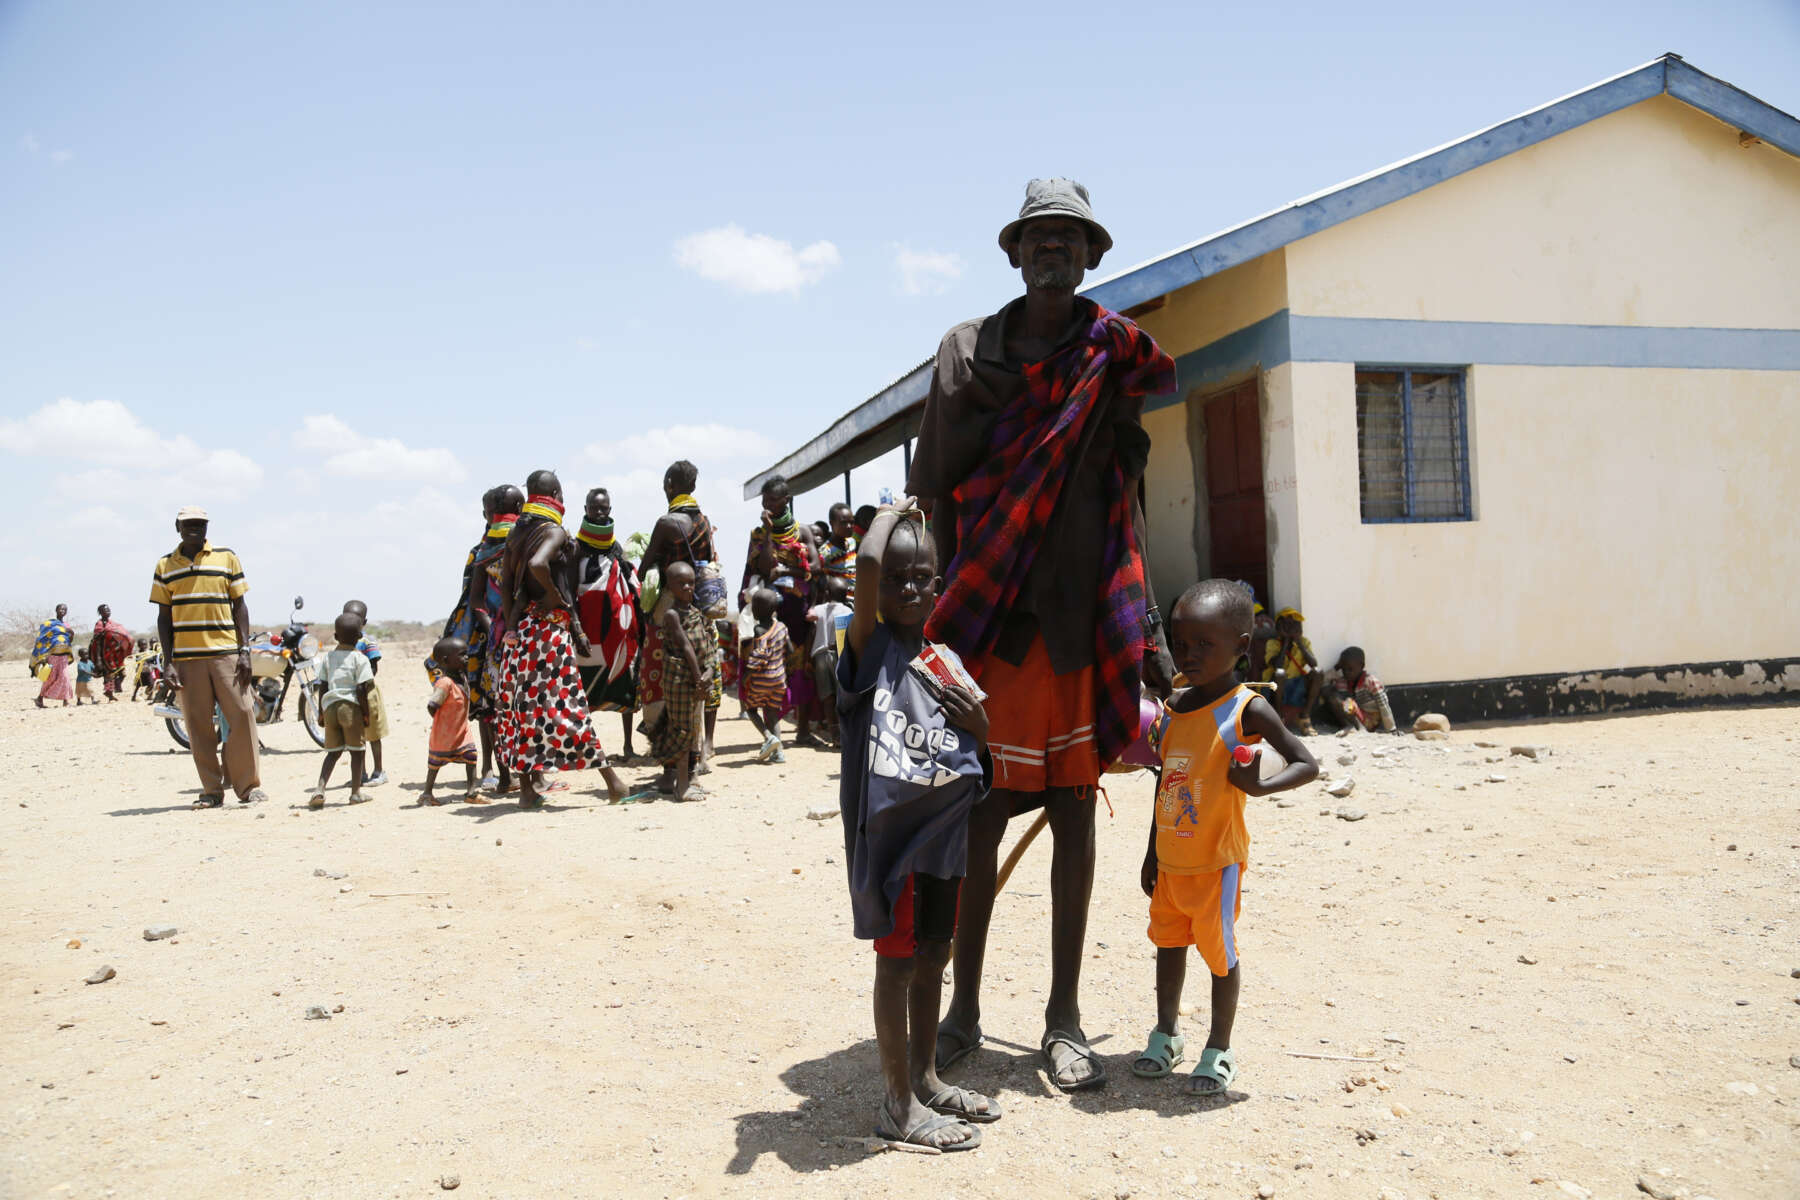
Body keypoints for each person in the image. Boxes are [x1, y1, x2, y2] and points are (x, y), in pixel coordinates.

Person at [906, 178, 1176, 1090]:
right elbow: (937, 484)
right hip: (991, 621)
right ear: (1014, 254)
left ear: (1092, 254)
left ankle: (1065, 1019)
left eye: (1069, 237)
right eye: (1038, 237)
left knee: (1072, 815)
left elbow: (1124, 491)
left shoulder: (1113, 352)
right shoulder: (966, 352)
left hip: (1079, 613)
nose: (1053, 249)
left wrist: (1146, 627)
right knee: (978, 820)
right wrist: (934, 624)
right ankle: (963, 1008)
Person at [838, 505, 997, 1151]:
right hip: (893, 843)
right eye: (895, 578)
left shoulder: (944, 661)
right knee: (897, 965)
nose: (907, 588)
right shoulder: (867, 648)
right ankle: (897, 1105)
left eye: (921, 578)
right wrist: (894, 513)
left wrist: (981, 728)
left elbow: (981, 751)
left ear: (938, 585)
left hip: (945, 839)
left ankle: (927, 1077)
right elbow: (871, 561)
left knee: (935, 953)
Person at [1132, 580, 1318, 1094]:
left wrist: (1259, 788)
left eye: (1204, 645)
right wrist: (1151, 850)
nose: (1189, 655)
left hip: (1217, 864)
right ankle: (1166, 1034)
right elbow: (1166, 783)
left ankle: (1218, 1049)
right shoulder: (1172, 710)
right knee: (1168, 945)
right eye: (1182, 642)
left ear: (1241, 647)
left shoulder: (1246, 710)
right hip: (1172, 862)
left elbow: (1307, 763)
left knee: (1219, 955)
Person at [495, 470, 629, 808]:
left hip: (522, 634)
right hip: (549, 632)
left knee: (524, 710)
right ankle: (613, 783)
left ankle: (527, 791)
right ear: (555, 493)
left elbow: (507, 585)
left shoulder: (516, 535)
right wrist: (559, 601)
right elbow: (541, 565)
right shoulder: (553, 532)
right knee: (568, 705)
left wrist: (511, 628)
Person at [150, 506, 269, 808]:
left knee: (242, 715)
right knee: (198, 724)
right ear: (177, 527)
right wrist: (168, 662)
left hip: (227, 653)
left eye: (200, 524)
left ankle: (249, 787)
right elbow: (164, 618)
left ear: (207, 527)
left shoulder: (226, 557)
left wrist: (244, 651)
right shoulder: (165, 566)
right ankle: (212, 791)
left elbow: (240, 606)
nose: (194, 529)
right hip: (188, 660)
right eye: (188, 524)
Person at [640, 460, 725, 765]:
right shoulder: (704, 521)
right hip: (697, 608)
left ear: (669, 486)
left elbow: (643, 567)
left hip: (668, 608)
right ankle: (695, 752)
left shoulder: (667, 523)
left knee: (662, 679)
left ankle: (667, 750)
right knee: (696, 679)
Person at [742, 475, 824, 748]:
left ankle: (801, 730)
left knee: (800, 668)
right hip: (770, 612)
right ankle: (773, 734)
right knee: (770, 671)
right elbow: (765, 568)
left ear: (786, 500)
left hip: (797, 609)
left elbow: (814, 567)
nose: (767, 505)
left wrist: (787, 570)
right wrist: (767, 533)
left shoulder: (803, 532)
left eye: (772, 500)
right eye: (764, 501)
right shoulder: (757, 533)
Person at [573, 486, 642, 760]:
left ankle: (627, 747)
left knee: (624, 683)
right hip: (587, 628)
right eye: (594, 507)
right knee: (581, 689)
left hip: (614, 627)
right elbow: (569, 585)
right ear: (586, 509)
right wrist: (575, 625)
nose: (599, 512)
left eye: (604, 508)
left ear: (610, 511)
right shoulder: (576, 547)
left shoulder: (615, 546)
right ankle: (581, 749)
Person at [642, 561, 716, 801]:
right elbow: (685, 646)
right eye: (680, 583)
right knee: (684, 733)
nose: (687, 587)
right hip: (681, 680)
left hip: (698, 681)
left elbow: (707, 644)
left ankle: (686, 781)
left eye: (691, 582)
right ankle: (682, 787)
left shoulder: (696, 612)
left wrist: (709, 673)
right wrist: (698, 678)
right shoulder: (672, 614)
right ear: (670, 587)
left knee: (692, 731)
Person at [309, 613, 374, 809]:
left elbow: (323, 686)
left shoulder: (328, 657)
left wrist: (321, 712)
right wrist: (365, 712)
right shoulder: (360, 659)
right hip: (350, 708)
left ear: (336, 637)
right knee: (357, 752)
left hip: (330, 708)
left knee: (332, 752)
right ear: (360, 636)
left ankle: (320, 789)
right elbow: (362, 689)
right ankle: (355, 793)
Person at [422, 636, 482, 806]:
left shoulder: (462, 677)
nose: (467, 658)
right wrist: (442, 721)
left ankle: (471, 792)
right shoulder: (445, 683)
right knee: (435, 763)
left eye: (467, 654)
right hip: (445, 732)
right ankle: (427, 793)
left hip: (461, 730)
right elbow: (432, 705)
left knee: (471, 756)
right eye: (462, 655)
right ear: (446, 660)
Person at [341, 600, 390, 785]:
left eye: (356, 619)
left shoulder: (367, 642)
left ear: (364, 622)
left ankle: (379, 772)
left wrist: (360, 678)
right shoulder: (342, 642)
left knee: (373, 734)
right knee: (356, 736)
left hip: (367, 691)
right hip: (349, 693)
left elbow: (373, 667)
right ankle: (360, 773)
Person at [739, 588, 790, 763]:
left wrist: (747, 674)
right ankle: (779, 752)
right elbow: (789, 650)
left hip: (762, 679)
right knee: (772, 713)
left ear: (756, 610)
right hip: (779, 679)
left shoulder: (759, 629)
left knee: (751, 709)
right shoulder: (782, 627)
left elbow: (759, 655)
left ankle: (768, 737)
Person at [1260, 606, 1321, 735]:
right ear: (1279, 627)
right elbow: (1277, 665)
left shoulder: (1304, 642)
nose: (1293, 627)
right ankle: (1279, 717)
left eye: (1296, 624)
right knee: (1280, 673)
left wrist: (1298, 642)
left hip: (1297, 684)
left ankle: (1305, 717)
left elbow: (1313, 663)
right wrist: (1286, 641)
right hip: (1276, 686)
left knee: (1318, 672)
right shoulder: (1273, 643)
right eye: (1289, 624)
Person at [807, 575, 853, 723]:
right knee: (842, 695)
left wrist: (815, 601)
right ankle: (842, 732)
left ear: (827, 593)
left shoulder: (819, 609)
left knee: (827, 697)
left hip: (819, 656)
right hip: (840, 656)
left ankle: (833, 733)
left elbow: (809, 624)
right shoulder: (847, 611)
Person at [1323, 645, 1398, 733]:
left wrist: (1392, 729)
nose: (1346, 672)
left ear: (1361, 666)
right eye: (1343, 669)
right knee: (1331, 694)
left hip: (1370, 721)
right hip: (1352, 716)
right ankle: (1349, 726)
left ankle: (1360, 729)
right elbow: (1324, 681)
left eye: (1350, 669)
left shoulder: (1371, 681)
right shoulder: (1342, 681)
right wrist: (1336, 667)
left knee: (1348, 702)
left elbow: (1383, 705)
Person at [31, 604, 75, 708]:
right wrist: (43, 656)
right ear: (56, 610)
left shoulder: (67, 625)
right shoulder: (50, 624)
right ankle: (39, 699)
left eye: (64, 609)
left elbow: (68, 640)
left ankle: (66, 701)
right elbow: (44, 638)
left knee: (65, 677)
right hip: (53, 655)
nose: (62, 610)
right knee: (50, 678)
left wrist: (72, 634)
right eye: (60, 608)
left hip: (64, 655)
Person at [90, 604, 132, 701]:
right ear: (100, 613)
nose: (108, 611)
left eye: (108, 609)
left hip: (116, 654)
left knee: (122, 673)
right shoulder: (99, 624)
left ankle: (115, 687)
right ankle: (109, 693)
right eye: (105, 610)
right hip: (104, 654)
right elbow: (96, 636)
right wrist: (106, 632)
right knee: (109, 674)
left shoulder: (114, 624)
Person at [818, 503, 858, 599]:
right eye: (844, 523)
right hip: (841, 602)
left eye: (852, 522)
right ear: (831, 523)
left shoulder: (852, 542)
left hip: (856, 599)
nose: (849, 526)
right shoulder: (825, 551)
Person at [130, 637, 160, 701]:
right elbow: (138, 660)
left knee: (152, 684)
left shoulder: (149, 652)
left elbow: (152, 659)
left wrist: (151, 658)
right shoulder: (138, 654)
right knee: (138, 685)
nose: (144, 646)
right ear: (139, 646)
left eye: (145, 644)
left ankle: (150, 695)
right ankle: (134, 696)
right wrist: (145, 659)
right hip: (141, 672)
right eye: (142, 645)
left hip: (148, 672)